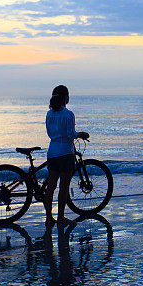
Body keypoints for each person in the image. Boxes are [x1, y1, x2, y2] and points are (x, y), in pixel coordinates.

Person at [45, 85, 89, 226]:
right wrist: (80, 134)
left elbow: (50, 133)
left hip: (52, 152)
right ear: (65, 97)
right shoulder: (69, 114)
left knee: (51, 186)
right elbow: (70, 134)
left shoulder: (49, 114)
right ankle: (61, 217)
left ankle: (49, 218)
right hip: (65, 152)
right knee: (63, 187)